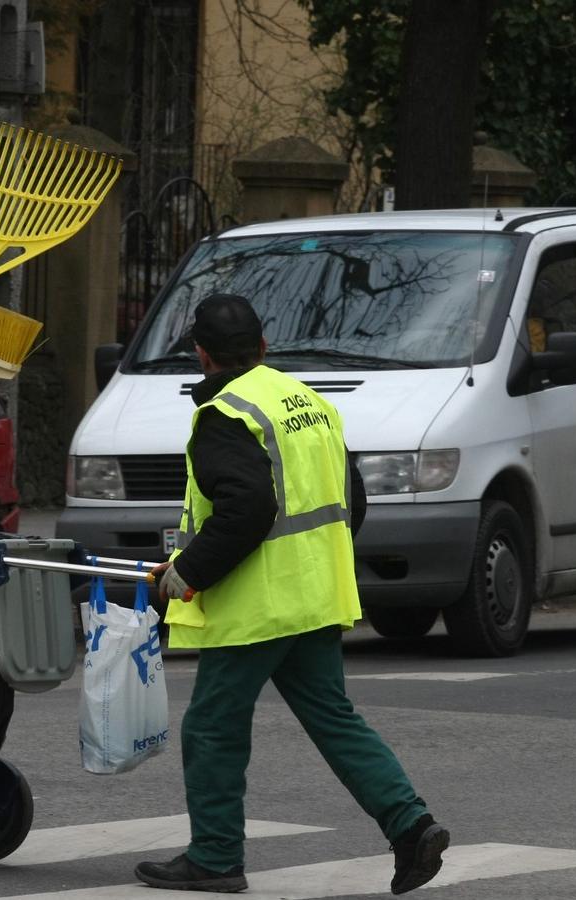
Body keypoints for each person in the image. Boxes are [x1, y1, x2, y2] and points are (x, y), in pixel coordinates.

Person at [134, 293, 449, 895]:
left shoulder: (225, 416)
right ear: (263, 347)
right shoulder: (310, 403)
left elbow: (246, 510)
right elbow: (349, 501)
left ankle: (217, 857)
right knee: (334, 719)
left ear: (201, 354)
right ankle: (411, 826)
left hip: (260, 608)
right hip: (318, 596)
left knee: (211, 728)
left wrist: (189, 570)